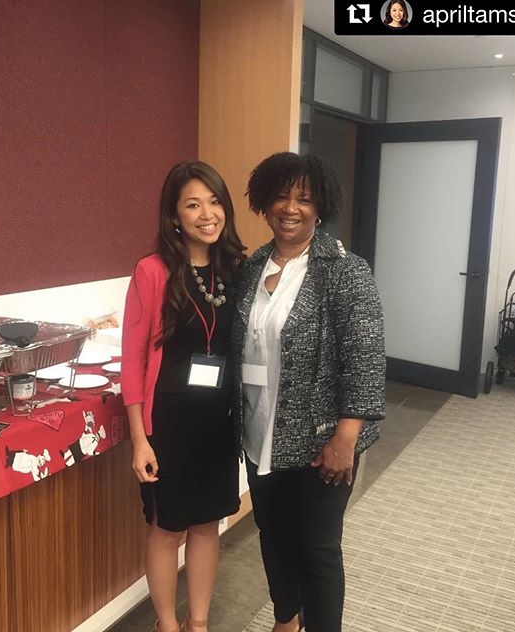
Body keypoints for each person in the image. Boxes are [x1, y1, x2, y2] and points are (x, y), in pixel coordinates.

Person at [232, 152, 385, 632]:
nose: (291, 207)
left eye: (304, 197)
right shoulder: (252, 267)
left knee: (318, 549)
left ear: (321, 206)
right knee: (273, 534)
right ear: (264, 203)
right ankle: (286, 618)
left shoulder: (344, 269)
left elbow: (366, 358)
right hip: (260, 432)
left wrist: (345, 438)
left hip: (322, 441)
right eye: (281, 195)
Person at [121, 161, 246, 632]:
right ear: (174, 215)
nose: (207, 214)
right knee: (166, 526)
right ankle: (167, 625)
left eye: (214, 202)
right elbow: (132, 358)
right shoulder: (152, 272)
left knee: (208, 523)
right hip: (167, 424)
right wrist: (139, 439)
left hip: (218, 422)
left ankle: (198, 623)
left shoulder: (235, 268)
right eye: (193, 204)